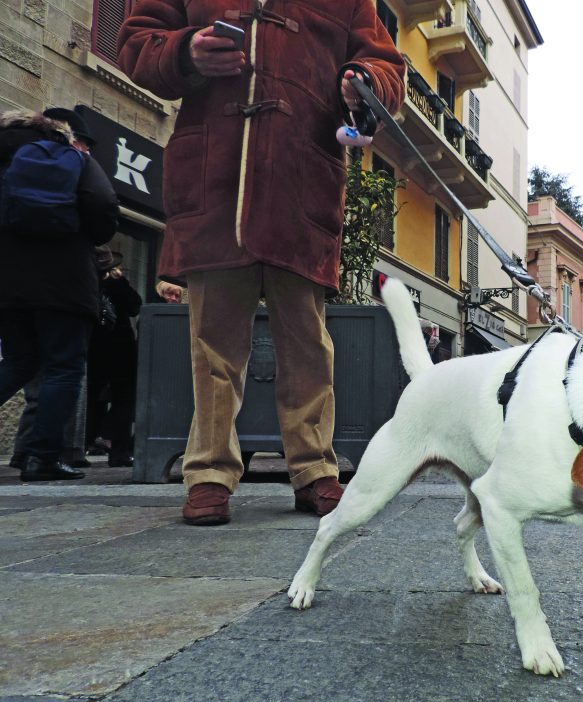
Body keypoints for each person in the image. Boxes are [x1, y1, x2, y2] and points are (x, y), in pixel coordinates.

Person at [118, 1, 406, 524]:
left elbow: (388, 66)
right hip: (214, 184)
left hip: (301, 186)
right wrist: (186, 50)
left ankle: (315, 469)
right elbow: (138, 43)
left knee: (309, 344)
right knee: (213, 346)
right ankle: (208, 474)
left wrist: (364, 83)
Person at [0, 110, 119, 480]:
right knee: (64, 367)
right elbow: (103, 207)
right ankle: (42, 457)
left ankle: (37, 454)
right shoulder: (73, 157)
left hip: (6, 280)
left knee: (19, 361)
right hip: (64, 279)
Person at [86, 250, 142, 467]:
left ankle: (83, 445)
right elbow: (134, 306)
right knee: (123, 400)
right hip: (119, 347)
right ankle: (118, 452)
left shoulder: (88, 282)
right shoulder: (116, 285)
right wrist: (122, 283)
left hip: (94, 345)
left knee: (92, 398)